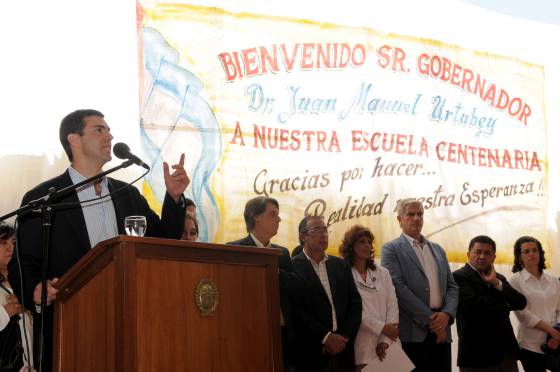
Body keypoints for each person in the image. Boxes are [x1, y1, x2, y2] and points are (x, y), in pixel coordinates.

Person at [8, 109, 189, 371]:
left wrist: (173, 199)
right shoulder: (46, 199)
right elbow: (21, 262)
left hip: (128, 319)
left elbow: (163, 238)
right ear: (74, 140)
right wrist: (34, 288)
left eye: (109, 130)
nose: (110, 135)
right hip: (69, 324)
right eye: (99, 129)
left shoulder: (126, 193)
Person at [380, 198, 458, 372]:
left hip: (442, 331)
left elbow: (452, 287)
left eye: (420, 214)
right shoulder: (390, 249)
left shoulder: (437, 249)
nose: (416, 218)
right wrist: (431, 320)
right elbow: (397, 288)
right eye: (410, 214)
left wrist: (446, 315)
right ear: (399, 220)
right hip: (414, 333)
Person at [226, 196, 297, 371]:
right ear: (255, 216)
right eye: (273, 214)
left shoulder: (283, 253)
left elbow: (294, 288)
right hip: (248, 334)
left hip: (282, 335)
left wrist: (275, 271)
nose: (279, 219)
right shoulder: (235, 250)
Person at [291, 215, 362, 372]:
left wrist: (343, 338)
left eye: (325, 230)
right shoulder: (293, 267)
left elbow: (355, 304)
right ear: (303, 236)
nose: (323, 234)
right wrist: (326, 337)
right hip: (312, 352)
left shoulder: (340, 265)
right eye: (317, 230)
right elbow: (297, 311)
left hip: (344, 350)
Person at [453, 235, 527, 372]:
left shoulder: (499, 278)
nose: (482, 256)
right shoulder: (458, 277)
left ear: (493, 257)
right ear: (468, 254)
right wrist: (505, 305)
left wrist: (496, 283)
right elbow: (473, 306)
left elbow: (521, 302)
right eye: (478, 252)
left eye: (487, 253)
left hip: (506, 353)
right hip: (477, 355)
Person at [339, 225, 398, 371]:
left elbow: (392, 305)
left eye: (369, 242)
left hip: (388, 342)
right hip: (362, 343)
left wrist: (385, 339)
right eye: (361, 241)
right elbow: (352, 311)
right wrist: (382, 328)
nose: (367, 245)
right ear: (350, 246)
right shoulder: (343, 274)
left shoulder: (383, 273)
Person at [509, 236, 560, 372]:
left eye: (534, 250)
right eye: (526, 251)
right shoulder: (514, 281)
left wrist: (558, 333)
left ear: (540, 253)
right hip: (530, 345)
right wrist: (552, 332)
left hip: (556, 343)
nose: (531, 254)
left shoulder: (554, 281)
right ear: (519, 256)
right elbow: (523, 314)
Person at [0, 223, 34, 371]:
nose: (10, 247)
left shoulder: (29, 283)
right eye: (3, 243)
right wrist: (7, 311)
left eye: (13, 242)